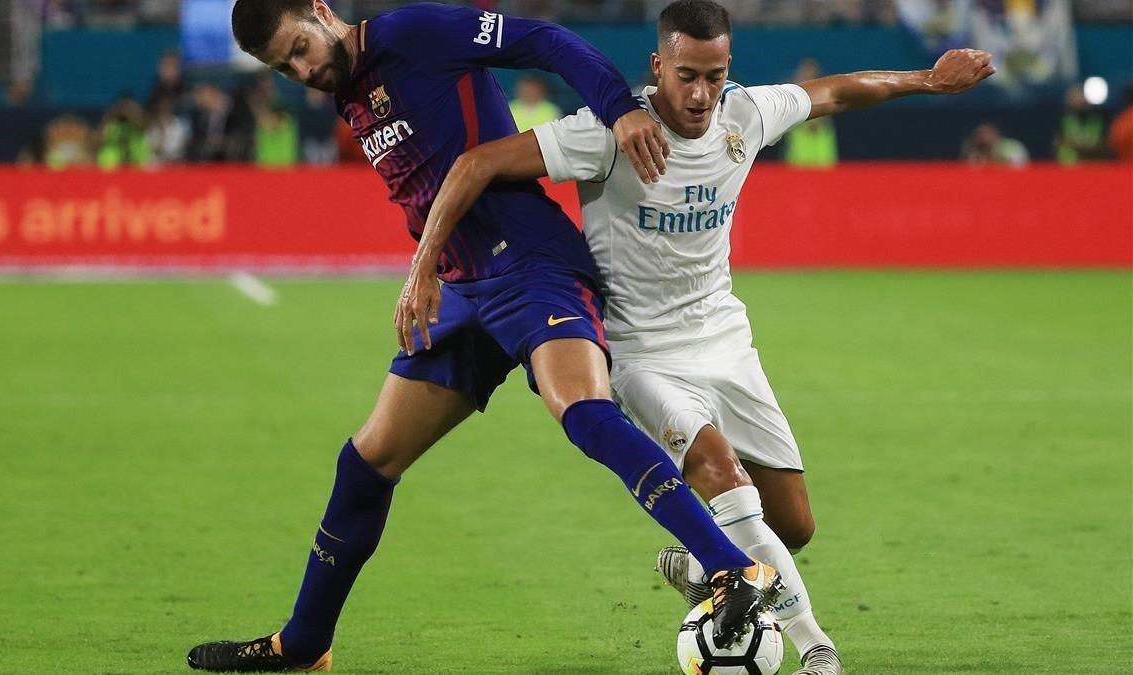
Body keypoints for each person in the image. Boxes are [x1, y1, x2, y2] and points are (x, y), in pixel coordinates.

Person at [188, 1, 780, 671]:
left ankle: (734, 568)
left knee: (583, 412)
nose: (302, 69)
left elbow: (547, 41)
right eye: (283, 66)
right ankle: (303, 644)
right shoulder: (349, 93)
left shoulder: (413, 33)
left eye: (300, 47)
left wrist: (619, 108)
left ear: (321, 11)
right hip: (464, 289)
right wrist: (434, 266)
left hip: (532, 265)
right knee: (366, 463)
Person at [407, 2, 996, 673]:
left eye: (714, 77)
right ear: (658, 65)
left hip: (724, 340)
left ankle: (699, 562)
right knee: (719, 470)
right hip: (641, 354)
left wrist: (928, 78)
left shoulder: (744, 113)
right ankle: (817, 647)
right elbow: (476, 163)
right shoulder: (608, 131)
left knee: (793, 524)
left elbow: (835, 91)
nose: (700, 94)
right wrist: (424, 266)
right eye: (686, 75)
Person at [1055, 84, 1106, 165]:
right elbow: (1057, 142)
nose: (1079, 101)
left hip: (1093, 166)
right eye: (1075, 98)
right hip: (1068, 166)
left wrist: (1083, 145)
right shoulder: (1064, 120)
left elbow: (1104, 144)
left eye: (1082, 97)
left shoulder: (1097, 120)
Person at [961, 122, 1028, 167]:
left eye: (986, 134)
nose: (983, 139)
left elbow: (1019, 165)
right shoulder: (975, 149)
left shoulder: (1010, 146)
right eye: (980, 136)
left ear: (995, 134)